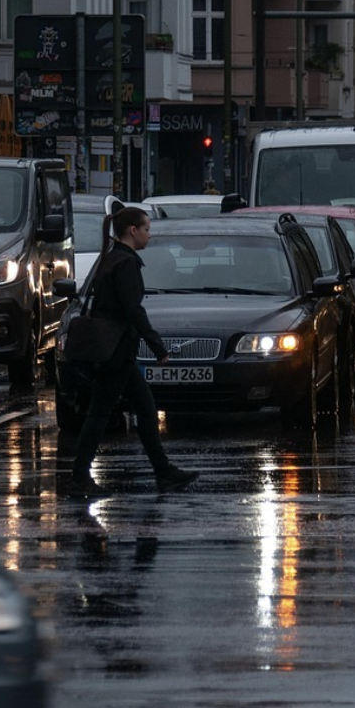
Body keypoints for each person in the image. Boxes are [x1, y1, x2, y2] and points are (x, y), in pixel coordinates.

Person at [68, 206, 199, 497]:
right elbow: (133, 310)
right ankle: (79, 477)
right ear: (133, 231)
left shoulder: (112, 258)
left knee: (144, 408)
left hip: (116, 349)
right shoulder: (125, 263)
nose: (149, 236)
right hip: (117, 351)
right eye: (147, 229)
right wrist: (157, 347)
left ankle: (164, 472)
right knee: (100, 414)